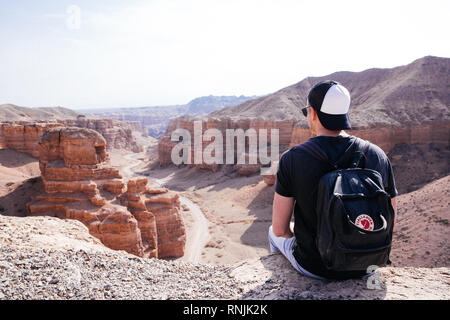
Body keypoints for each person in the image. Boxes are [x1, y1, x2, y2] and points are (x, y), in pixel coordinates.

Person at [268, 80, 398, 280]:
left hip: (314, 267)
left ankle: (279, 280)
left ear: (312, 113)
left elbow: (281, 230)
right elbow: (390, 221)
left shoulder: (293, 159)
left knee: (271, 233)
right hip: (366, 266)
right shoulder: (376, 154)